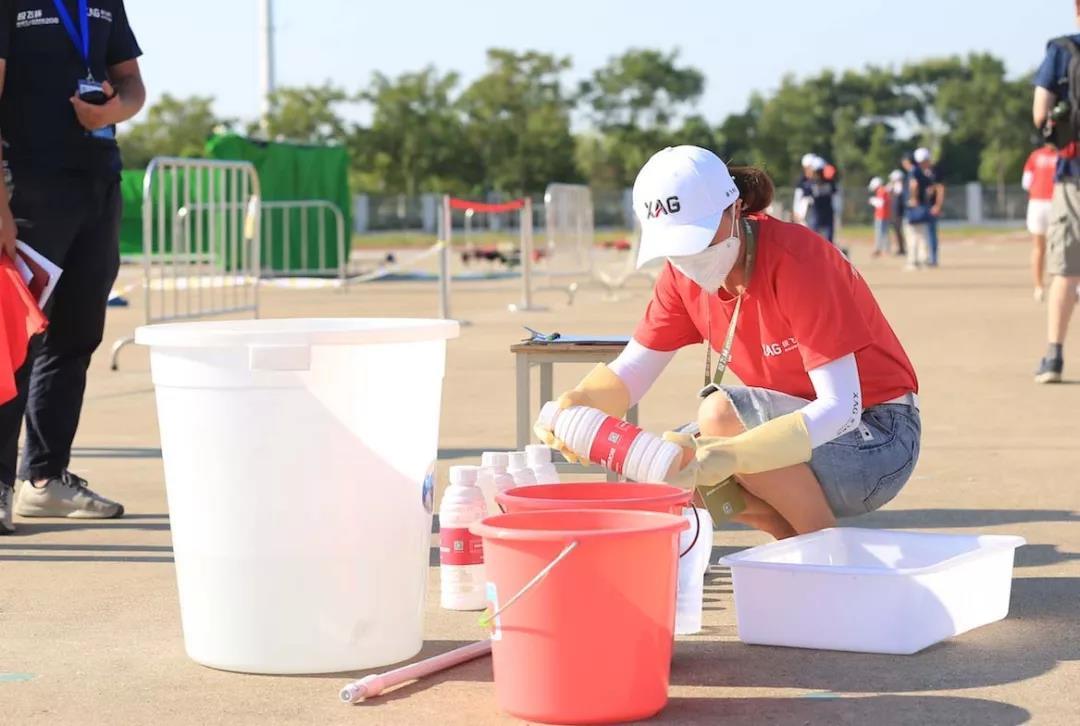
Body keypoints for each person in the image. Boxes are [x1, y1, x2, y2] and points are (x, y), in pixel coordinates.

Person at [540, 146, 921, 539]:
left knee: (720, 416)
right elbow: (635, 368)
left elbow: (842, 408)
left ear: (735, 208)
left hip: (877, 441)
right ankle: (784, 537)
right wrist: (580, 403)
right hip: (804, 438)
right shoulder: (679, 276)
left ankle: (827, 554)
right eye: (676, 244)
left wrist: (736, 453)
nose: (690, 256)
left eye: (699, 238)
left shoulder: (799, 262)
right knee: (666, 465)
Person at [0, 0, 146, 534]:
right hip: (28, 188)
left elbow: (131, 83)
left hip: (99, 182)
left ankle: (44, 480)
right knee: (14, 344)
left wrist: (111, 112)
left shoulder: (105, 2)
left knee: (76, 335)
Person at [1032, 7, 1080, 384]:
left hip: (1074, 175)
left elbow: (1040, 114)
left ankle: (1054, 355)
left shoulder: (1063, 50)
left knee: (1065, 269)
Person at [1023, 142, 1059, 302]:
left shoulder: (1035, 156)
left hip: (1036, 203)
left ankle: (1038, 287)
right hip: (1056, 202)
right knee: (1061, 247)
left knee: (1038, 248)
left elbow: (1026, 182)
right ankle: (1065, 285)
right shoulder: (1063, 155)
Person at [913, 147, 945, 266]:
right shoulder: (916, 171)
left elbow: (940, 189)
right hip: (920, 206)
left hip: (931, 206)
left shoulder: (935, 171)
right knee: (919, 233)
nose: (922, 164)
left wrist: (937, 205)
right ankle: (920, 257)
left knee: (931, 233)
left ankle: (933, 258)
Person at [798, 156, 839, 244]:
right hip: (817, 214)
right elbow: (804, 190)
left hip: (826, 213)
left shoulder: (829, 183)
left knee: (828, 240)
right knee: (814, 239)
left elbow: (834, 190)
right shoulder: (810, 184)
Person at [902, 152, 932, 270]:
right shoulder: (922, 172)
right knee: (922, 235)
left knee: (912, 235)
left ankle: (913, 261)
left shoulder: (913, 172)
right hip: (923, 207)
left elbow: (913, 185)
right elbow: (930, 189)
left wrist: (913, 198)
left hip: (914, 209)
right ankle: (923, 259)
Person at [867, 176, 891, 257]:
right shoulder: (885, 190)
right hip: (885, 215)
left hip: (881, 215)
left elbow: (880, 203)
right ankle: (886, 249)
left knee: (879, 233)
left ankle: (878, 249)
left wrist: (872, 201)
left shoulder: (881, 191)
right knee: (885, 233)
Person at [888, 169, 907, 256]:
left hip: (899, 213)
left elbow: (897, 191)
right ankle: (900, 248)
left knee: (900, 231)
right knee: (897, 231)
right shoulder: (895, 186)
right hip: (895, 213)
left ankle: (902, 248)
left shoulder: (899, 186)